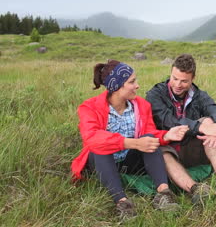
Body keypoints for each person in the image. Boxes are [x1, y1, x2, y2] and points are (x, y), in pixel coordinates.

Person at [71, 60, 189, 219]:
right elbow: (91, 137)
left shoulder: (142, 105)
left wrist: (166, 135)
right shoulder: (89, 107)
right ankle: (123, 203)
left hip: (130, 161)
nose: (137, 85)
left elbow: (149, 134)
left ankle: (163, 194)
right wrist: (132, 143)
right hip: (101, 163)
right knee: (99, 147)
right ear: (117, 86)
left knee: (149, 139)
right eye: (132, 82)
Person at [146, 54, 216, 204]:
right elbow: (167, 120)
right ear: (171, 73)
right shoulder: (155, 94)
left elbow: (215, 110)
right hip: (167, 147)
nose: (177, 84)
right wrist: (201, 127)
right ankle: (196, 190)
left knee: (210, 121)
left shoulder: (199, 95)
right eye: (175, 78)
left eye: (184, 81)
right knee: (162, 150)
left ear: (192, 78)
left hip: (190, 147)